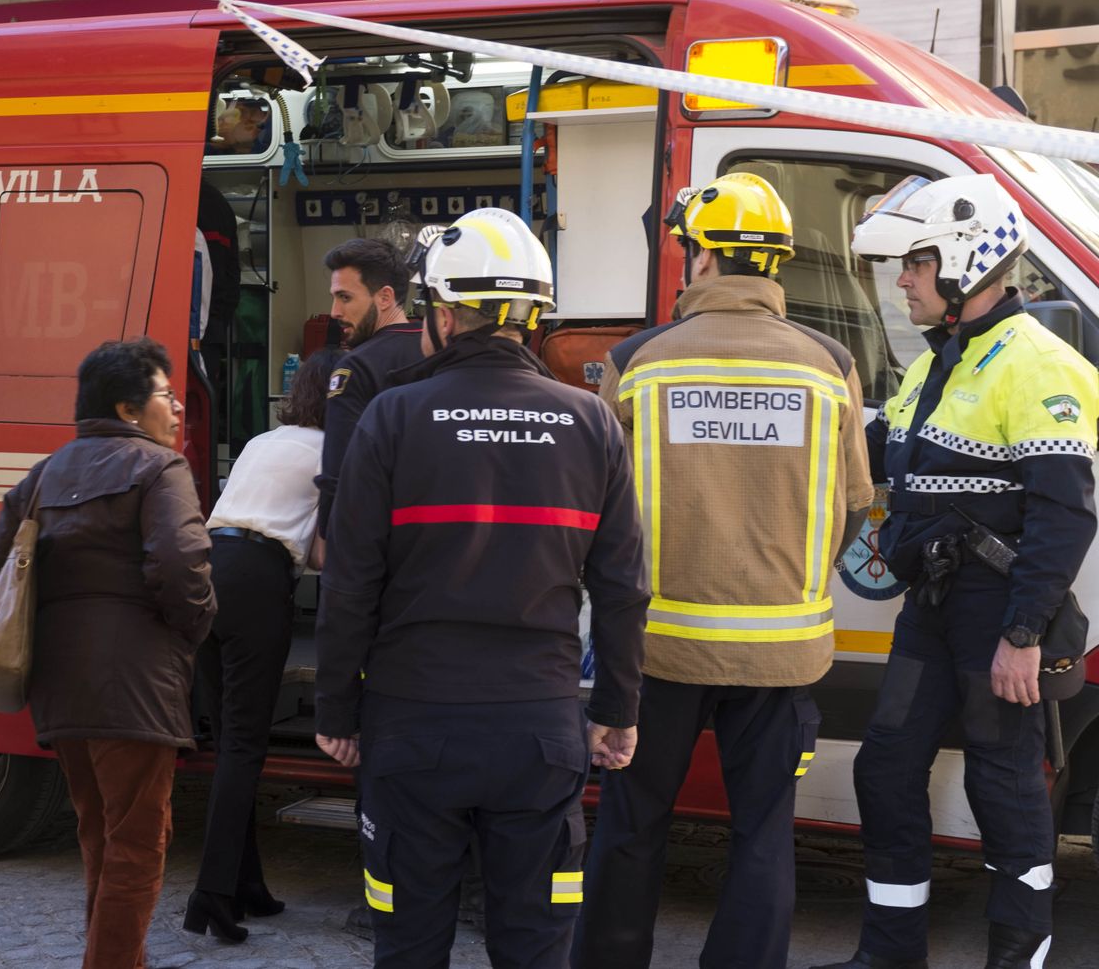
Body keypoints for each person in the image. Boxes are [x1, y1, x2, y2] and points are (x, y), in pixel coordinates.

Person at [314, 208, 649, 968]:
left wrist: (337, 708)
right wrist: (617, 711)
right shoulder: (591, 422)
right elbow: (624, 586)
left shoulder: (393, 415)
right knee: (535, 946)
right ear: (532, 317)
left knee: (409, 943)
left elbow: (351, 578)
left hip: (412, 726)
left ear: (441, 312)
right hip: (539, 730)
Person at [571, 173, 874, 969]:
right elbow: (851, 504)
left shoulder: (636, 362)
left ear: (703, 256)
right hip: (784, 654)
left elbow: (599, 516)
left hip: (658, 651)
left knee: (634, 823)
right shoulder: (830, 362)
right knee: (763, 833)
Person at [814, 175, 1099, 969]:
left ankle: (1019, 958)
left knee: (1004, 784)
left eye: (913, 262)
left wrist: (1022, 634)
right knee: (887, 767)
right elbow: (885, 464)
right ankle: (891, 954)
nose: (902, 279)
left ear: (964, 261)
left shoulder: (1038, 363)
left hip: (996, 610)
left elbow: (1065, 514)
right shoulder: (935, 363)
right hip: (932, 607)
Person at [0, 337, 215, 969]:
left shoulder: (44, 473)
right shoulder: (161, 469)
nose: (176, 408)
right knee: (139, 844)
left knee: (100, 837)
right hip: (135, 683)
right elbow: (182, 565)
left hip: (61, 686)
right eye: (167, 394)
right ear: (129, 408)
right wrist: (192, 629)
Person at [184, 347, 341, 943]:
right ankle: (212, 896)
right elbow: (323, 554)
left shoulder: (260, 441)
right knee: (246, 746)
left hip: (208, 568)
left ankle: (246, 884)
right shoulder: (334, 451)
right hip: (258, 579)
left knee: (229, 743)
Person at [314, 237, 423, 543]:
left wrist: (329, 535)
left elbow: (340, 471)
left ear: (385, 297)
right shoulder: (441, 350)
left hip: (377, 541)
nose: (334, 311)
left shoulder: (357, 367)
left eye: (345, 297)